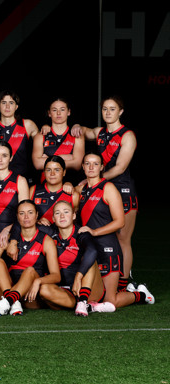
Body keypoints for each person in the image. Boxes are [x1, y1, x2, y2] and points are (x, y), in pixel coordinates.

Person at [72, 96, 138, 291]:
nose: (108, 113)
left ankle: (125, 283)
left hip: (123, 189)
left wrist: (94, 181)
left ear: (121, 112)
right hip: (102, 188)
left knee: (122, 239)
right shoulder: (100, 132)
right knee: (105, 236)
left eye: (112, 109)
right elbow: (85, 131)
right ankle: (108, 279)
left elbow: (120, 167)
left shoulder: (127, 135)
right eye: (105, 109)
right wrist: (76, 126)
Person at [75, 152, 153, 311]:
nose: (91, 167)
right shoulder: (81, 189)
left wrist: (95, 232)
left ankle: (141, 295)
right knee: (92, 297)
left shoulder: (108, 188)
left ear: (102, 167)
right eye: (87, 163)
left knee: (111, 301)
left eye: (96, 164)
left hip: (108, 248)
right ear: (82, 166)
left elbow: (120, 222)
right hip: (88, 249)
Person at [32, 201, 106, 316]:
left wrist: (78, 277)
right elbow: (24, 223)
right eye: (57, 213)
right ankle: (88, 307)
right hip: (67, 291)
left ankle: (83, 301)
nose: (62, 216)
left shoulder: (81, 233)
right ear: (53, 218)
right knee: (44, 290)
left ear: (73, 216)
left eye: (66, 212)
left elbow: (92, 251)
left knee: (89, 258)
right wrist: (37, 221)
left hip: (87, 288)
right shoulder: (51, 233)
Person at [0, 200, 61, 316]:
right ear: (17, 217)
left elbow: (56, 276)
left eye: (30, 213)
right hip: (5, 290)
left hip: (30, 296)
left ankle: (9, 301)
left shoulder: (46, 240)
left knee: (29, 270)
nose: (26, 217)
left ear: (37, 215)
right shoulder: (7, 238)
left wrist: (39, 281)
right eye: (22, 213)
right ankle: (12, 301)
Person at [32, 98, 84, 184]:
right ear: (49, 113)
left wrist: (48, 159)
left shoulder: (76, 135)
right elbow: (37, 164)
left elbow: (77, 165)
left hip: (70, 184)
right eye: (54, 110)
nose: (58, 113)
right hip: (45, 185)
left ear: (69, 112)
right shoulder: (41, 136)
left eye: (62, 109)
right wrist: (68, 157)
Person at [0, 90, 39, 182]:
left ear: (16, 107)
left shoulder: (27, 125)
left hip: (24, 179)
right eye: (4, 102)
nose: (7, 106)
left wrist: (46, 127)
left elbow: (44, 146)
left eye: (11, 103)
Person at [29, 155, 78, 225]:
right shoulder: (33, 190)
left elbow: (76, 222)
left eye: (57, 170)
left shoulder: (73, 195)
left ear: (64, 172)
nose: (52, 173)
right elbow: (25, 216)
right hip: (39, 234)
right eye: (48, 170)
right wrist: (37, 221)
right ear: (44, 172)